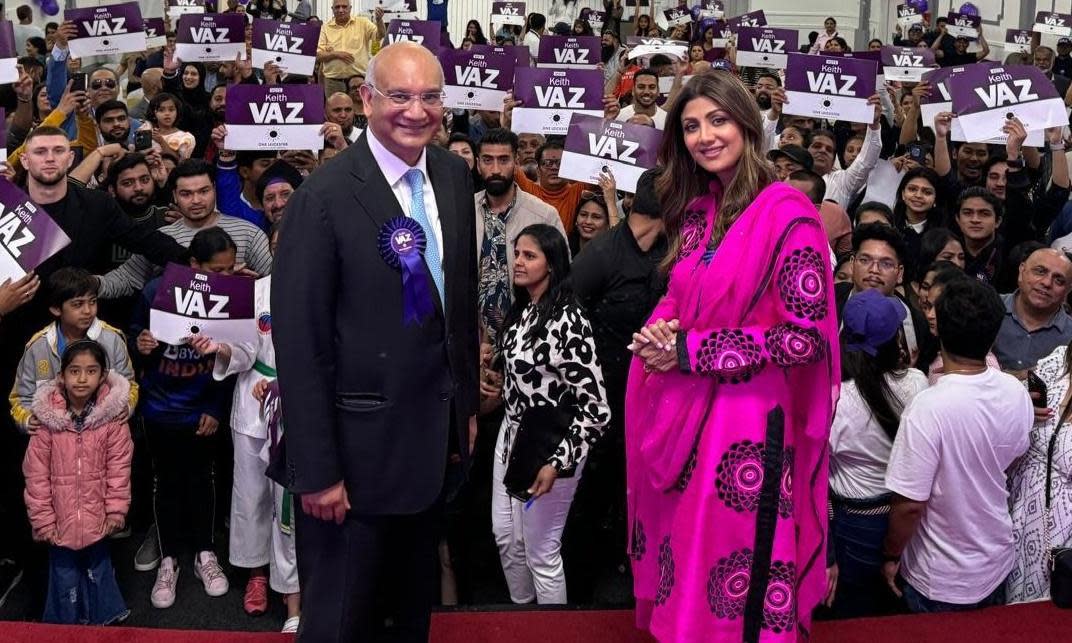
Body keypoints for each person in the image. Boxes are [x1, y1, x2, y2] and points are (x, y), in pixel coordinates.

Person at [271, 42, 480, 642]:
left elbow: (457, 305)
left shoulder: (451, 173)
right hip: (351, 464)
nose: (417, 111)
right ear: (366, 99)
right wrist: (316, 470)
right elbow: (300, 341)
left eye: (431, 97)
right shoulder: (323, 198)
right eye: (400, 96)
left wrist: (462, 410)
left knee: (409, 618)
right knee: (342, 621)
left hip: (431, 447)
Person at [625, 71, 840, 642]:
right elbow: (680, 293)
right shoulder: (698, 213)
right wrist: (657, 333)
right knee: (687, 555)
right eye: (691, 126)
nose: (704, 136)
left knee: (733, 569)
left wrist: (691, 350)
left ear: (747, 125)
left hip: (748, 428)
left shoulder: (790, 214)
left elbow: (807, 336)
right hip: (686, 416)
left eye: (717, 121)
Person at [883, 278, 1032, 613]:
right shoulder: (1014, 391)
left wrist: (891, 555)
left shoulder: (927, 408)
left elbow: (909, 505)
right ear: (994, 334)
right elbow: (1014, 455)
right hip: (995, 559)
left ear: (939, 330)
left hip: (940, 577)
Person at [487, 223, 610, 605]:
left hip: (551, 444)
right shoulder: (523, 310)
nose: (518, 262)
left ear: (552, 264)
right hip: (510, 437)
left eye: (530, 255)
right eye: (517, 253)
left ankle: (549, 630)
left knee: (540, 549)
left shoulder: (569, 321)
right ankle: (523, 620)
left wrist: (556, 462)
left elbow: (597, 408)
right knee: (507, 539)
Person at [188, 226, 300, 633]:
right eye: (280, 243)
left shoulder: (326, 284)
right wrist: (221, 348)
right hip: (254, 403)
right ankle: (255, 573)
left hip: (301, 404)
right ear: (272, 247)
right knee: (250, 495)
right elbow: (245, 349)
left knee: (289, 501)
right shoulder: (253, 292)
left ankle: (292, 585)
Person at [569, 167, 668, 601]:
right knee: (592, 496)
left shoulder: (673, 253)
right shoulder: (601, 256)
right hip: (601, 403)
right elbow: (564, 318)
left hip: (656, 403)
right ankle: (581, 587)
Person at [131, 228, 239, 609]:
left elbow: (234, 358)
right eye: (216, 269)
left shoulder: (233, 297)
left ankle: (205, 554)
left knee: (203, 480)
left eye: (230, 269)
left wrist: (215, 408)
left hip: (203, 407)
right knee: (166, 482)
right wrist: (141, 342)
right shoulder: (156, 291)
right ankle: (169, 559)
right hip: (160, 409)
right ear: (194, 265)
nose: (224, 277)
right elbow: (136, 338)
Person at [828, 289, 928, 618]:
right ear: (895, 338)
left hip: (852, 523)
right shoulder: (916, 383)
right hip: (907, 520)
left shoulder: (835, 400)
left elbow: (814, 475)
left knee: (851, 617)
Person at [22, 340, 133, 624]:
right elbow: (35, 475)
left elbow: (119, 469)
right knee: (63, 575)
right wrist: (43, 520)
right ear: (61, 376)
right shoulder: (48, 421)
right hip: (60, 521)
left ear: (103, 375)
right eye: (74, 371)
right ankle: (65, 625)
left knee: (99, 570)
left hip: (97, 518)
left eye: (91, 371)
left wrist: (116, 510)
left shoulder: (112, 421)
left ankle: (102, 620)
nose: (82, 379)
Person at [97, 159, 274, 299]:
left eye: (203, 191)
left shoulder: (248, 232)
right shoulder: (161, 238)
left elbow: (276, 280)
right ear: (174, 195)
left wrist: (252, 285)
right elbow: (124, 280)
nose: (196, 200)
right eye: (186, 194)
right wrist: (87, 284)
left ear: (214, 189)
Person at [9, 269, 137, 434]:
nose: (88, 311)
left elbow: (130, 386)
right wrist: (26, 419)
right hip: (54, 441)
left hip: (102, 438)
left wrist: (127, 407)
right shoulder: (38, 347)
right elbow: (20, 398)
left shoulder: (113, 340)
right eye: (78, 304)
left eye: (92, 302)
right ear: (56, 309)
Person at [474, 128, 566, 342]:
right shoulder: (463, 212)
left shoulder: (544, 215)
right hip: (471, 339)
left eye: (504, 160)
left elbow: (562, 278)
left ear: (516, 161)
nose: (495, 169)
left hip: (531, 337)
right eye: (488, 160)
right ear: (478, 164)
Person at [1007, 335, 1072, 603]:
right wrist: (1025, 408)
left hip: (1065, 532)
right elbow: (1011, 387)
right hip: (1022, 512)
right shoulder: (1057, 361)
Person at [993, 248, 1072, 370]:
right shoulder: (988, 308)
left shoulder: (1070, 335)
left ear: (1068, 289)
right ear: (1022, 270)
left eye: (1059, 280)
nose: (1047, 283)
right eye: (1040, 272)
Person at [316, 2, 386, 98]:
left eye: (344, 6)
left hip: (359, 81)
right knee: (335, 111)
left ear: (350, 8)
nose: (341, 10)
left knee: (361, 111)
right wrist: (336, 54)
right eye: (337, 7)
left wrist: (379, 20)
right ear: (332, 9)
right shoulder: (325, 28)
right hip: (333, 83)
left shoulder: (363, 23)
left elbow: (380, 35)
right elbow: (318, 56)